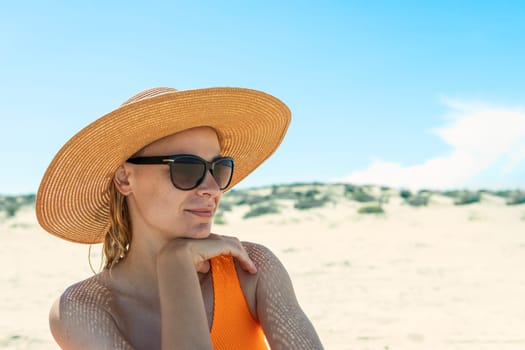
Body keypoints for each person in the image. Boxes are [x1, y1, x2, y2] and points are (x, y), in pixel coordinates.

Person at [36, 86, 324, 349]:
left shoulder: (251, 268)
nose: (212, 189)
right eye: (186, 169)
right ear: (125, 178)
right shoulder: (82, 308)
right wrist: (176, 266)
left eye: (219, 169)